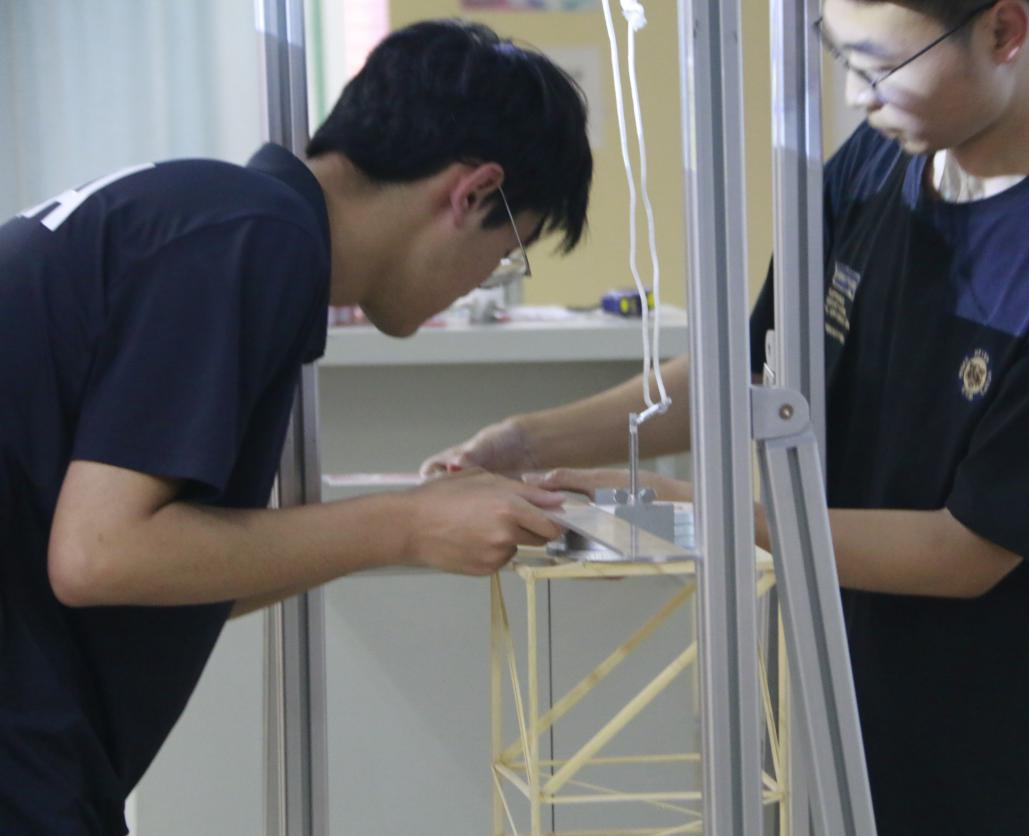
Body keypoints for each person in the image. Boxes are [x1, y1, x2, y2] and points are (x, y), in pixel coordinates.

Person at [420, 1, 1029, 833]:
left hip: (973, 773)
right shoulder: (879, 162)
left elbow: (967, 551)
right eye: (842, 59)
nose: (860, 96)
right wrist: (525, 440)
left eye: (881, 66)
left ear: (1003, 32)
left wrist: (708, 517)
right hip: (812, 724)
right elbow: (750, 371)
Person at [0, 19, 592, 834]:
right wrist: (403, 524)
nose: (484, 280)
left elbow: (165, 574)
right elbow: (99, 555)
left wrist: (403, 525)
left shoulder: (210, 216)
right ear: (472, 192)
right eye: (508, 252)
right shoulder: (256, 237)